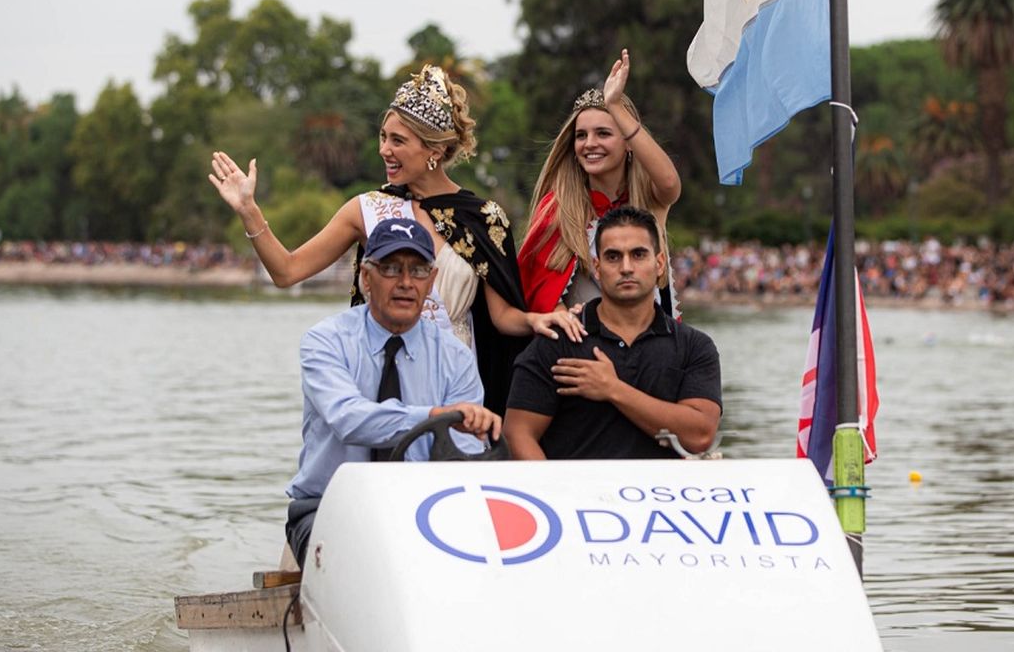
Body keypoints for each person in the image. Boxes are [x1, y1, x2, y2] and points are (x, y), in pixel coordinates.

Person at [209, 65, 581, 413]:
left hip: (456, 378)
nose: (384, 149)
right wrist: (249, 211)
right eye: (384, 137)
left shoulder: (484, 218)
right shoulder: (366, 209)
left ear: (434, 150)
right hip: (379, 370)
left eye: (398, 141)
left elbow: (501, 318)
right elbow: (287, 272)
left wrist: (535, 320)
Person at [284, 218, 502, 568]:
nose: (405, 283)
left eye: (417, 271)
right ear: (365, 279)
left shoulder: (456, 356)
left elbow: (464, 460)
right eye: (391, 268)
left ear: (432, 282)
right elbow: (348, 418)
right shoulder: (325, 341)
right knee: (367, 562)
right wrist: (433, 416)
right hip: (326, 508)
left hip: (422, 512)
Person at [504, 206, 722, 460]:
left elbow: (700, 436)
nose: (626, 267)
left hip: (661, 496)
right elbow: (517, 434)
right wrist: (556, 493)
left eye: (638, 255)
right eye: (613, 257)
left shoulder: (693, 346)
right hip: (576, 495)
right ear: (597, 267)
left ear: (660, 263)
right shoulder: (559, 340)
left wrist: (613, 388)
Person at [518, 49, 682, 318]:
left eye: (603, 133)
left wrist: (615, 106)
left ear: (629, 142)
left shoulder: (647, 201)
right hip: (588, 349)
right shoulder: (558, 210)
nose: (590, 143)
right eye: (581, 135)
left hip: (657, 351)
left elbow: (669, 181)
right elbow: (540, 293)